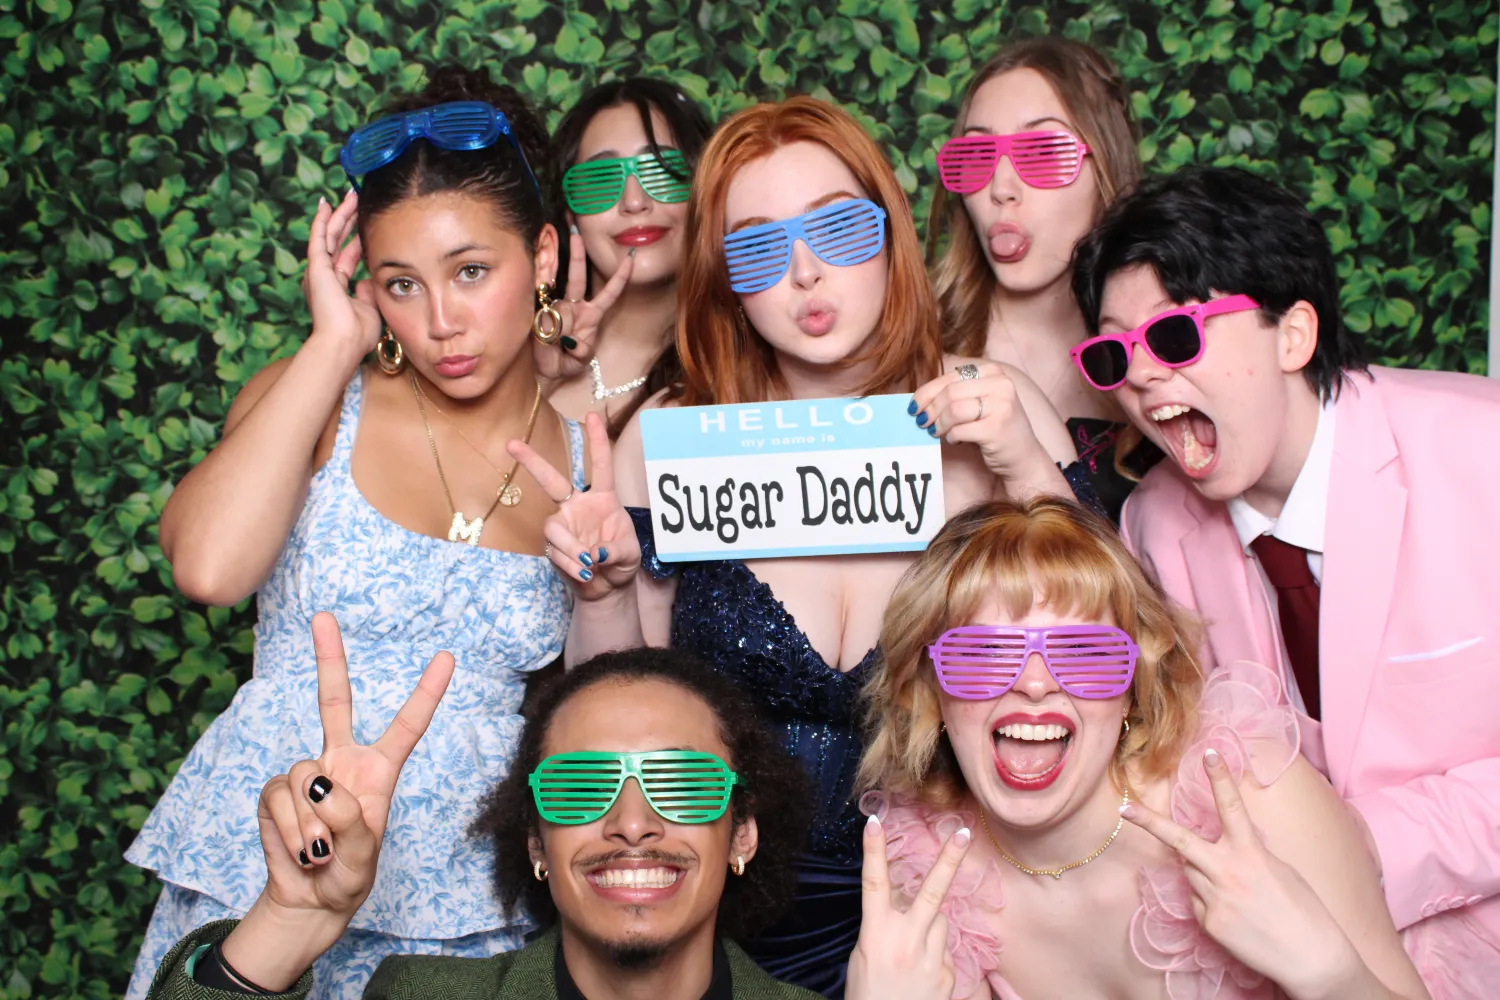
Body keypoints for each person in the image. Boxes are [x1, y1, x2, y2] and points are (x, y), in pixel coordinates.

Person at [511, 96, 1091, 997]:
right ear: (725, 281)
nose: (806, 273)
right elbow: (624, 711)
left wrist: (1024, 464)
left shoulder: (992, 408)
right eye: (756, 248)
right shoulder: (672, 435)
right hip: (718, 928)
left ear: (893, 235)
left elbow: (1118, 656)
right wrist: (601, 590)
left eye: (841, 231)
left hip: (967, 917)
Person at [126, 68, 589, 999]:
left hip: (468, 900)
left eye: (471, 271)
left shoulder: (588, 453)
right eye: (400, 284)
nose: (441, 322)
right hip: (268, 866)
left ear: (541, 256)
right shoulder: (314, 403)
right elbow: (212, 568)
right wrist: (334, 342)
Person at [1069, 165, 1500, 996]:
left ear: (1293, 335)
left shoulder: (1482, 456)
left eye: (1174, 337)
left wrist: (1355, 845)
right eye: (1113, 351)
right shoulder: (1155, 524)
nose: (1143, 376)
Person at [855, 498, 1429, 1000]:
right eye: (982, 654)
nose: (1033, 683)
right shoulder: (929, 868)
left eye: (1084, 652)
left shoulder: (1250, 795)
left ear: (1135, 689)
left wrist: (1326, 972)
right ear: (928, 693)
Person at [143, 622, 821, 1000]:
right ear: (534, 845)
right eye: (581, 785)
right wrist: (292, 921)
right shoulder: (422, 996)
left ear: (744, 834)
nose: (632, 823)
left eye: (683, 783)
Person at [927, 37, 1157, 520]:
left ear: (1108, 165)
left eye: (1043, 151)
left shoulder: (1166, 352)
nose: (1001, 189)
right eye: (975, 156)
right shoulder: (914, 338)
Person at [539, 78, 714, 429]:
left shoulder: (745, 366)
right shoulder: (521, 355)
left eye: (663, 172)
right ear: (570, 215)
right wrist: (534, 381)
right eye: (600, 179)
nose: (634, 202)